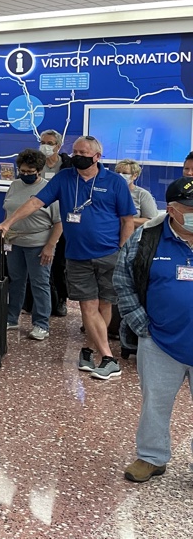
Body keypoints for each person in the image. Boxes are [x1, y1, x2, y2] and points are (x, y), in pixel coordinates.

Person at [0, 135, 136, 380]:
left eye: (83, 153)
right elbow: (36, 202)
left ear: (97, 157)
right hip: (77, 256)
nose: (77, 156)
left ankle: (89, 350)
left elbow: (127, 221)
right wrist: (9, 221)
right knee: (87, 305)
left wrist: (123, 251)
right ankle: (109, 358)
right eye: (75, 152)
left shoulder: (114, 182)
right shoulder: (64, 178)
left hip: (109, 254)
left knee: (104, 305)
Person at [114, 176, 193, 484]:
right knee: (155, 404)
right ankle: (151, 457)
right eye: (189, 207)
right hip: (160, 340)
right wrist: (140, 324)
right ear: (171, 209)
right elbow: (122, 278)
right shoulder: (147, 236)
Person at [3, 149, 62, 341]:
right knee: (16, 281)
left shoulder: (48, 189)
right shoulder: (14, 185)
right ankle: (12, 317)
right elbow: (9, 211)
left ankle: (41, 323)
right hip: (15, 242)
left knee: (39, 283)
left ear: (39, 170)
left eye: (30, 172)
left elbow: (59, 223)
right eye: (22, 171)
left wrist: (50, 246)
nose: (26, 175)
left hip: (39, 244)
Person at [39, 129, 73, 317]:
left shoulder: (67, 166)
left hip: (64, 220)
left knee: (60, 263)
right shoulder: (36, 164)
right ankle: (37, 301)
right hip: (41, 218)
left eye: (50, 143)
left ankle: (61, 299)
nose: (45, 145)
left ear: (58, 146)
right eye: (43, 141)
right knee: (39, 262)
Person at [114, 159, 159, 227]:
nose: (120, 175)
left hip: (133, 235)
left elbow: (151, 221)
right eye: (118, 172)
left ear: (134, 176)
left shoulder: (142, 194)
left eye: (125, 173)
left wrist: (125, 220)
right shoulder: (109, 191)